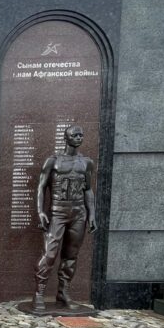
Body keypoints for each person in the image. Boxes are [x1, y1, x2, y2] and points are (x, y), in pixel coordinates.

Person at [32, 124, 97, 312]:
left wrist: (91, 214)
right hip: (58, 212)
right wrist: (40, 211)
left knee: (71, 255)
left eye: (81, 135)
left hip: (79, 213)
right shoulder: (53, 161)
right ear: (66, 137)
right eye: (74, 135)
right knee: (49, 253)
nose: (78, 138)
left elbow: (88, 190)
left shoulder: (87, 162)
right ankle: (39, 293)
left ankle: (63, 292)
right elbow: (41, 187)